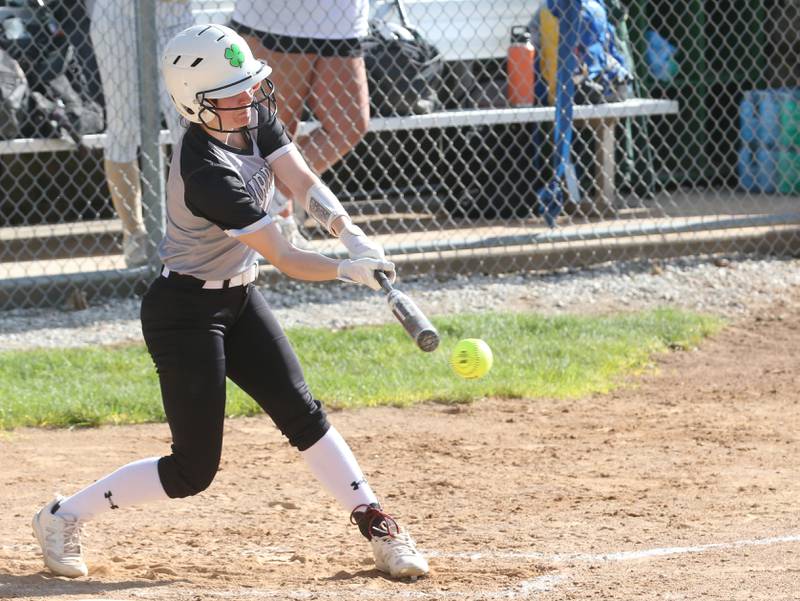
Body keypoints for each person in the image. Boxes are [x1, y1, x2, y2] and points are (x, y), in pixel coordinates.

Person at [31, 24, 428, 581]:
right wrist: (346, 269)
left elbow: (299, 177)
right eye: (231, 95)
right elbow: (287, 258)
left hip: (238, 297)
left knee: (304, 414)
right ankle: (61, 516)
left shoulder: (248, 112)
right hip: (184, 314)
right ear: (195, 105)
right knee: (193, 469)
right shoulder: (206, 171)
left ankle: (379, 525)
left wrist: (347, 229)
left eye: (249, 88)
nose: (249, 101)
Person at [230, 0, 371, 246]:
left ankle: (265, 207)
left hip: (343, 17)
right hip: (279, 17)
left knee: (348, 126)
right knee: (275, 129)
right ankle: (270, 221)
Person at [89, 0, 193, 267]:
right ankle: (135, 236)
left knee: (190, 127)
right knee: (123, 126)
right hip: (119, 18)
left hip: (176, 19)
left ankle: (192, 232)